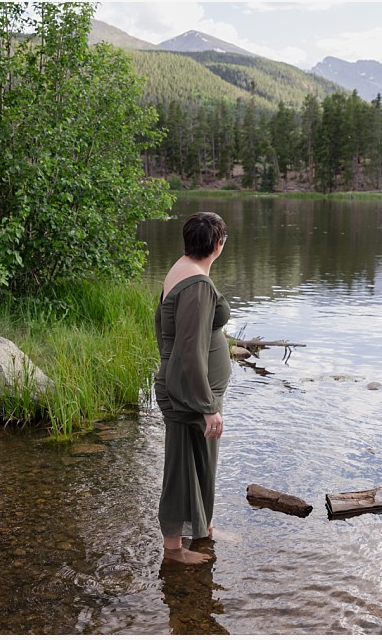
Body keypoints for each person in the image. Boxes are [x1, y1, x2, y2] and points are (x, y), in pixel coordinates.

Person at [153, 211, 230, 565]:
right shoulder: (197, 285)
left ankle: (204, 528)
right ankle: (173, 550)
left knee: (200, 462)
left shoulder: (181, 269)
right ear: (217, 245)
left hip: (186, 388)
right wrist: (206, 405)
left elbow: (168, 337)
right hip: (190, 393)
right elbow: (189, 347)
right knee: (182, 467)